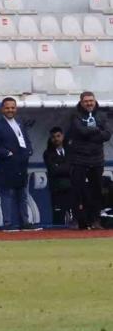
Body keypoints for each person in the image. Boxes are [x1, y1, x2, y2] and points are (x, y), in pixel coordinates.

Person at [0, 97, 34, 229]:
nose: (10, 110)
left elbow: (26, 140)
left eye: (12, 107)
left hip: (21, 166)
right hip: (6, 166)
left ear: (16, 109)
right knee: (6, 196)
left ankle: (25, 222)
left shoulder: (19, 123)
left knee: (23, 196)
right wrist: (7, 153)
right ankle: (8, 223)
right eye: (7, 108)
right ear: (2, 109)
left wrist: (29, 151)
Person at [66, 91, 111, 230]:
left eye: (91, 100)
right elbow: (81, 131)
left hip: (97, 159)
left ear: (95, 101)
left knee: (97, 190)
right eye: (86, 101)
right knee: (77, 190)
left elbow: (107, 135)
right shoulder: (76, 115)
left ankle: (95, 220)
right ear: (81, 102)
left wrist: (91, 132)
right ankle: (77, 220)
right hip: (79, 158)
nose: (89, 103)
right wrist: (97, 130)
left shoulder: (102, 115)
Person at [43, 127, 72, 226]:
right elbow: (53, 170)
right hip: (57, 189)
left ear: (62, 136)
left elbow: (73, 168)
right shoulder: (47, 153)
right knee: (58, 217)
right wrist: (67, 167)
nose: (56, 139)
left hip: (72, 188)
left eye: (58, 136)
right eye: (53, 137)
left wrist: (60, 166)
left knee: (74, 217)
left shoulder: (70, 151)